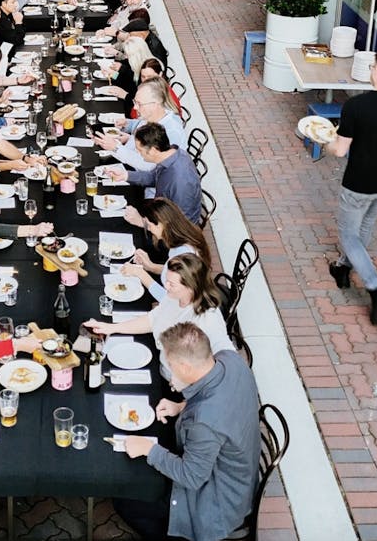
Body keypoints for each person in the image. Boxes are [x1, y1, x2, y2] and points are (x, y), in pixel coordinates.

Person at [113, 322, 260, 541]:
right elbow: (219, 402)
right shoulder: (232, 360)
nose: (169, 370)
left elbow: (192, 477)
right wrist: (181, 406)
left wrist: (149, 450)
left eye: (171, 365)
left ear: (185, 367)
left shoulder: (205, 423)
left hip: (218, 499)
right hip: (241, 476)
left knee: (126, 499)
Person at [324, 49, 377, 325]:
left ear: (376, 70)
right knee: (365, 226)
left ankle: (375, 288)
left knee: (350, 235)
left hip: (360, 182)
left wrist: (324, 141)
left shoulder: (356, 107)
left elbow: (339, 151)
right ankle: (341, 268)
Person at [85, 255, 233, 386]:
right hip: (161, 367)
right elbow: (152, 319)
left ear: (191, 287)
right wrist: (111, 327)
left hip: (178, 386)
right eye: (167, 281)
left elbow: (226, 360)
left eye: (171, 284)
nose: (166, 286)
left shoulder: (209, 319)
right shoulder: (174, 297)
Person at [108, 123, 202, 223]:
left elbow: (180, 226)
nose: (138, 153)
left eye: (139, 150)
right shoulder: (172, 155)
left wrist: (142, 222)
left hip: (174, 230)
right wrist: (126, 175)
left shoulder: (180, 181)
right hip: (161, 213)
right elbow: (155, 177)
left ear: (153, 150)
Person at [123, 198, 211, 300]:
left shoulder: (183, 253)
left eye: (150, 225)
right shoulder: (181, 240)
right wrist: (151, 266)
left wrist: (140, 274)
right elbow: (174, 271)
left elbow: (169, 300)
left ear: (163, 223)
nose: (149, 229)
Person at [94, 78, 186, 169]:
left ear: (155, 104)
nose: (135, 107)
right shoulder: (149, 117)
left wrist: (115, 148)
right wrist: (124, 140)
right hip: (129, 167)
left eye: (139, 103)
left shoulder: (171, 131)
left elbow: (149, 166)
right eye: (135, 102)